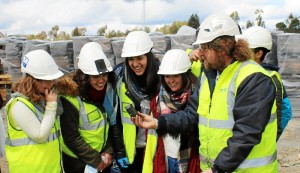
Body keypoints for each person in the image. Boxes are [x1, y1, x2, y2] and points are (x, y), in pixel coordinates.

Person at [132, 14, 278, 173]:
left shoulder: (253, 78)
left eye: (204, 48)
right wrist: (158, 122)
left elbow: (246, 134)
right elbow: (191, 115)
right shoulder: (209, 76)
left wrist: (217, 168)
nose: (200, 53)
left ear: (221, 48)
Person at [56, 42, 116, 173]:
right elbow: (71, 137)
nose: (101, 80)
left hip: (101, 159)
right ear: (84, 77)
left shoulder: (106, 93)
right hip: (78, 163)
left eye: (104, 75)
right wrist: (96, 160)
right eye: (95, 77)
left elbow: (108, 125)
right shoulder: (70, 98)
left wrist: (108, 150)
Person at [4, 49, 63, 173]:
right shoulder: (19, 105)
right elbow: (40, 136)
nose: (51, 84)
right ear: (32, 80)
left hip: (50, 168)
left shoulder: (41, 99)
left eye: (52, 80)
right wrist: (51, 106)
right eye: (47, 80)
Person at [142, 49, 200, 173]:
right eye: (167, 76)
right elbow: (152, 139)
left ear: (185, 75)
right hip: (165, 158)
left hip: (190, 159)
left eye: (176, 76)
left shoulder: (197, 97)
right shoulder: (157, 100)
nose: (171, 80)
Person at [113, 30, 160, 173]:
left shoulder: (162, 78)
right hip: (131, 153)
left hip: (155, 151)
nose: (135, 64)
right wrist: (120, 151)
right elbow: (114, 119)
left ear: (149, 57)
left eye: (139, 58)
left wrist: (190, 54)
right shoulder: (120, 78)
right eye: (130, 59)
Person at [240, 26, 293, 139]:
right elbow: (286, 112)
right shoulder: (274, 76)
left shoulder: (268, 78)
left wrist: (273, 136)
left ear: (259, 53)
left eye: (246, 51)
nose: (240, 55)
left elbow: (285, 112)